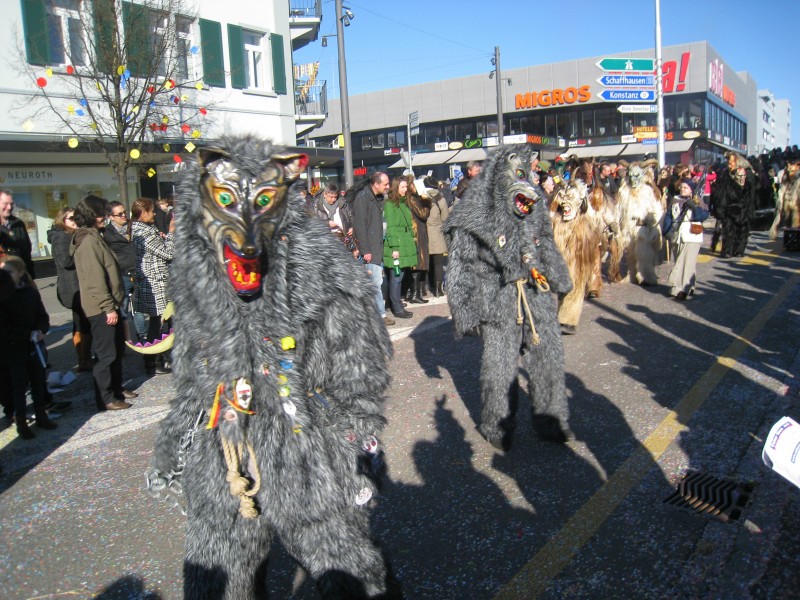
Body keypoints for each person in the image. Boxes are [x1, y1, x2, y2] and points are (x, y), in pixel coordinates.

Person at [70, 194, 135, 411]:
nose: (104, 218)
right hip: (101, 307)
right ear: (92, 215)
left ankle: (116, 389)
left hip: (110, 304)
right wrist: (108, 307)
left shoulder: (95, 236)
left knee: (115, 350)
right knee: (106, 354)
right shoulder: (88, 241)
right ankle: (105, 397)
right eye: (101, 214)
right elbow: (94, 279)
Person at [0, 256, 57, 439]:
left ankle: (41, 414)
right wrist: (26, 335)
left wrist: (41, 329)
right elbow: (4, 327)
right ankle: (21, 421)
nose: (6, 276)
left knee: (39, 381)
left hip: (34, 345)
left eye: (9, 272)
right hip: (14, 347)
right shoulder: (4, 297)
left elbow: (42, 315)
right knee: (18, 385)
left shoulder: (30, 293)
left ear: (20, 273)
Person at [130, 198, 174, 376]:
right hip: (156, 284)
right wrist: (171, 233)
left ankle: (159, 358)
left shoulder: (146, 230)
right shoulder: (145, 233)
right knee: (158, 322)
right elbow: (169, 253)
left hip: (155, 281)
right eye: (151, 211)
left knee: (160, 321)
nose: (155, 213)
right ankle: (153, 360)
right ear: (143, 213)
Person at [47, 207, 93, 371]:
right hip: (72, 286)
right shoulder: (61, 237)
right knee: (81, 322)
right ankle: (83, 360)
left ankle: (85, 358)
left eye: (77, 217)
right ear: (63, 220)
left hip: (79, 283)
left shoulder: (74, 235)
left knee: (82, 321)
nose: (75, 220)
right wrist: (83, 255)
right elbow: (64, 262)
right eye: (71, 218)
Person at [352, 171, 394, 326]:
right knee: (375, 282)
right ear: (376, 184)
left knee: (376, 281)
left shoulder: (377, 198)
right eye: (385, 184)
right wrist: (365, 250)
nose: (388, 187)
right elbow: (360, 225)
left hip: (377, 245)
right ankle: (379, 316)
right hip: (371, 248)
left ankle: (372, 315)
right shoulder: (363, 198)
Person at [103, 201, 144, 342]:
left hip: (138, 272)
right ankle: (124, 339)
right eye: (119, 214)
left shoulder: (134, 227)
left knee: (139, 309)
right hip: (121, 275)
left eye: (124, 212)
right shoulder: (107, 233)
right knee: (123, 309)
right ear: (111, 217)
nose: (123, 216)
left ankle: (142, 337)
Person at [664, 179, 709, 300]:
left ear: (691, 190)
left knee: (686, 263)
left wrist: (694, 208)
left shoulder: (696, 200)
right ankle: (690, 286)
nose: (683, 189)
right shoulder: (675, 200)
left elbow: (703, 216)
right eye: (682, 187)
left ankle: (681, 288)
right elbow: (669, 216)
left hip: (692, 235)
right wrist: (666, 231)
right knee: (681, 260)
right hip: (678, 235)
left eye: (686, 188)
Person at [405, 177, 431, 304]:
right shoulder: (412, 198)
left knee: (417, 264)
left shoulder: (409, 198)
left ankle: (414, 293)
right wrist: (426, 202)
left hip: (416, 232)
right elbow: (423, 214)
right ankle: (415, 294)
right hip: (417, 233)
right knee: (417, 264)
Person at [423, 176, 450, 297]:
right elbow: (445, 218)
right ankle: (438, 289)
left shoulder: (421, 198)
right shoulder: (441, 199)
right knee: (438, 263)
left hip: (424, 233)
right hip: (437, 233)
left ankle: (428, 286)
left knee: (426, 263)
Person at [0, 189, 36, 278]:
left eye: (11, 204)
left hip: (21, 276)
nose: (9, 207)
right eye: (5, 203)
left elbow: (27, 251)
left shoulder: (18, 223)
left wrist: (30, 275)